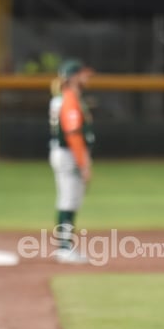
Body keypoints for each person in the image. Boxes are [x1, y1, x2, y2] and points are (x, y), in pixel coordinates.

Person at [48, 58, 95, 264]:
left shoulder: (64, 97)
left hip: (64, 153)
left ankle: (65, 246)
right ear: (74, 77)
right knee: (69, 200)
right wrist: (84, 163)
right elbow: (73, 134)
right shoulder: (69, 99)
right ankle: (64, 248)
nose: (87, 78)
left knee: (69, 199)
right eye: (83, 74)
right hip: (68, 154)